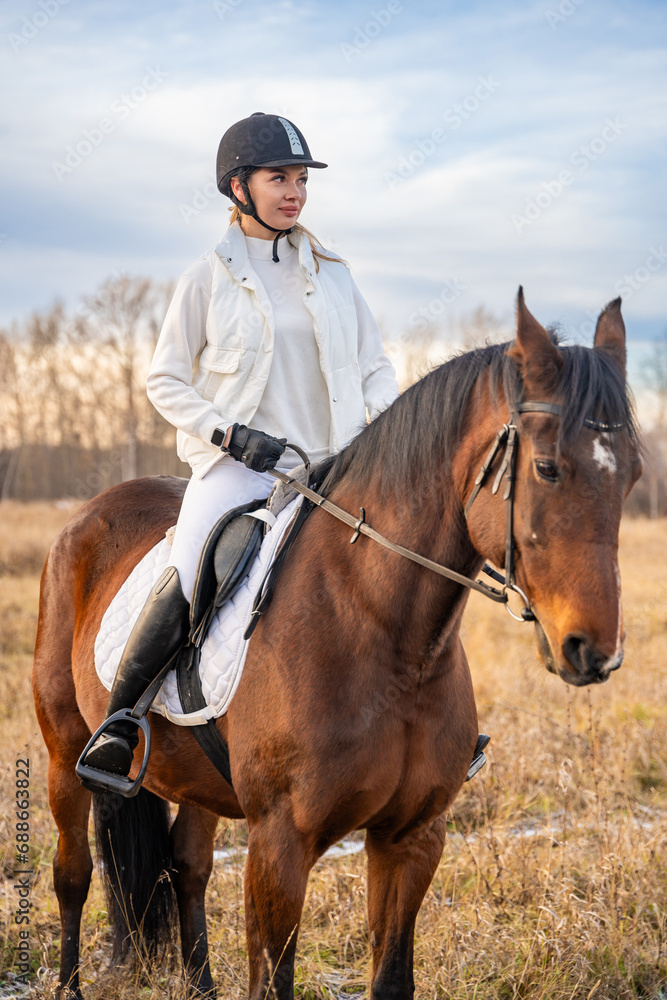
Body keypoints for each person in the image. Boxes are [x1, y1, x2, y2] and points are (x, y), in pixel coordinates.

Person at [83, 112, 400, 778]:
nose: (294, 192)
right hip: (238, 469)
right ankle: (123, 720)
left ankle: (423, 725)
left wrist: (380, 430)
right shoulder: (206, 278)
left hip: (331, 467)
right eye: (277, 178)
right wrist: (228, 434)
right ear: (237, 187)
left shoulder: (334, 274)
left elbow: (375, 366)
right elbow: (164, 380)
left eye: (300, 179)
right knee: (196, 563)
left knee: (402, 567)